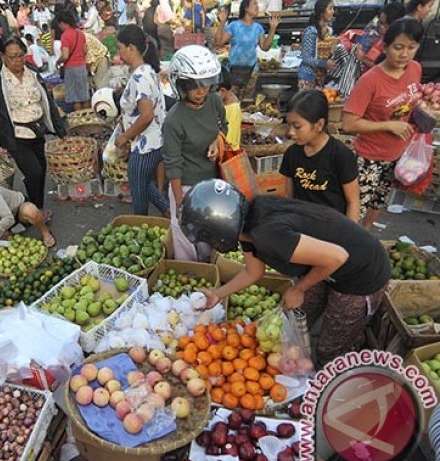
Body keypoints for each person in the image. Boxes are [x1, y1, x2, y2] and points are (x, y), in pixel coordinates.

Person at [182, 179, 391, 366]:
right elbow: (253, 272)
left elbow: (337, 257)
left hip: (362, 273)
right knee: (299, 322)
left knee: (330, 350)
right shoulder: (248, 225)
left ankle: (343, 375)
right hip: (327, 266)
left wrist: (299, 289)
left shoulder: (270, 235)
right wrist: (218, 294)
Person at [342, 18, 423, 229]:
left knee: (378, 202)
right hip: (369, 157)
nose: (404, 54)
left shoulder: (415, 69)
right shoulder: (370, 81)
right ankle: (347, 248)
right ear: (385, 47)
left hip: (396, 154)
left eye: (411, 47)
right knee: (355, 208)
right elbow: (349, 124)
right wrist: (388, 125)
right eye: (398, 47)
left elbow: (412, 102)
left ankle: (367, 237)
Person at [0, 35, 66, 211]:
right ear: (3, 57)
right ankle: (32, 208)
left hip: (37, 131)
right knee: (34, 172)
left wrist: (60, 128)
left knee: (40, 171)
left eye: (20, 55)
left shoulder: (33, 74)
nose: (17, 60)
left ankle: (36, 207)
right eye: (12, 57)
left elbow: (48, 102)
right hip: (16, 135)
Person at [113, 25, 169, 216]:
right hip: (154, 141)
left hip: (146, 145)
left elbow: (146, 116)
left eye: (120, 47)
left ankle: (141, 227)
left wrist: (124, 136)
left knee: (138, 195)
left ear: (131, 48)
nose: (118, 51)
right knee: (143, 183)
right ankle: (170, 214)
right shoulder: (146, 70)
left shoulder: (140, 76)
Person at [280, 90, 359, 221]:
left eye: (297, 126)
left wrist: (348, 237)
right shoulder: (292, 154)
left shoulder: (341, 155)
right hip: (303, 224)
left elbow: (353, 202)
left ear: (319, 125)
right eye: (289, 125)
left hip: (334, 226)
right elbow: (289, 195)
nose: (291, 132)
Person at [164, 45, 223, 216]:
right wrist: (179, 203)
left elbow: (223, 125)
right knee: (185, 237)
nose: (202, 91)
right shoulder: (173, 121)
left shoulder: (214, 102)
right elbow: (173, 166)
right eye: (194, 85)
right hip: (186, 186)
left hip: (213, 181)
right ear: (181, 85)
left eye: (206, 84)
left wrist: (216, 141)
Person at [215, 0, 280, 90]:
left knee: (248, 101)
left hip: (252, 71)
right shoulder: (234, 26)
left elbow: (265, 47)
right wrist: (222, 23)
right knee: (233, 101)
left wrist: (272, 28)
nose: (257, 6)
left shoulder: (258, 28)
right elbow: (218, 43)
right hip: (233, 70)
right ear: (246, 8)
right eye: (254, 4)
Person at [298, 0, 336, 90]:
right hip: (307, 78)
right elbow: (306, 57)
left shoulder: (329, 31)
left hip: (320, 79)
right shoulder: (311, 32)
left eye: (333, 8)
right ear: (322, 12)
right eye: (330, 8)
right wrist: (324, 64)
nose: (333, 11)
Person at [56, 12, 89, 111]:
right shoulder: (80, 33)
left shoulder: (65, 36)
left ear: (63, 23)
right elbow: (85, 50)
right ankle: (88, 118)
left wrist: (58, 61)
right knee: (84, 95)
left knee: (75, 98)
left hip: (71, 68)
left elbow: (65, 55)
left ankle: (79, 120)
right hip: (82, 66)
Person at [218, 67, 241, 149]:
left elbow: (227, 141)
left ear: (222, 91)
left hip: (227, 154)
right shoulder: (226, 104)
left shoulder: (232, 109)